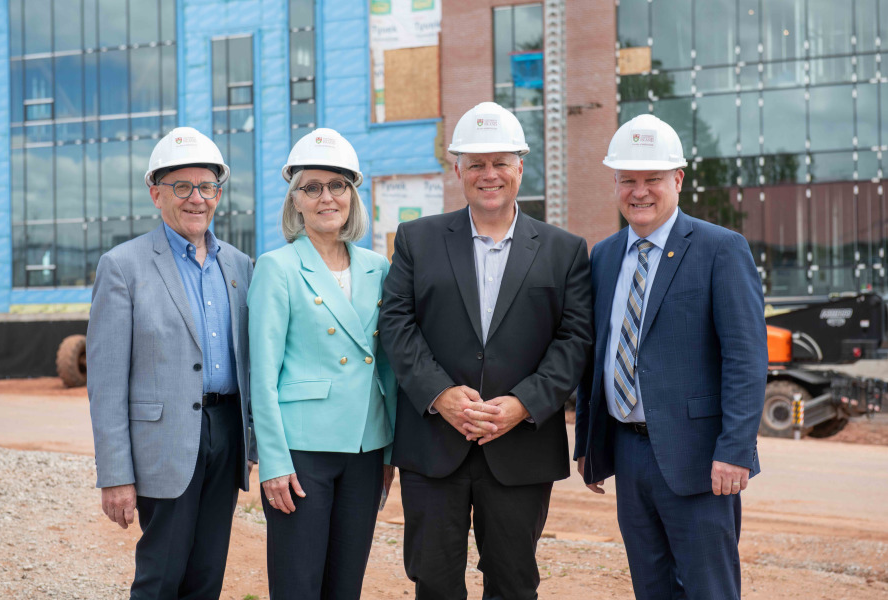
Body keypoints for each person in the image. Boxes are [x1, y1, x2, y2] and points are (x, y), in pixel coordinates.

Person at [379, 101, 593, 600]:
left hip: (519, 446)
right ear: (457, 170)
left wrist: (524, 404)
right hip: (434, 443)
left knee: (515, 584)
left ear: (520, 166)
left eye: (500, 163)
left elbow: (575, 339)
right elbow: (396, 322)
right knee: (433, 581)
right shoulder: (417, 239)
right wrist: (440, 394)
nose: (488, 174)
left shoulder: (564, 250)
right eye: (476, 164)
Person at [574, 113, 768, 599]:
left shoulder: (720, 249)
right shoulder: (604, 255)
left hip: (701, 459)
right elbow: (596, 352)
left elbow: (746, 359)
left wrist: (734, 450)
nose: (640, 191)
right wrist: (589, 444)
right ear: (615, 183)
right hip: (629, 452)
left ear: (678, 179)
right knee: (650, 588)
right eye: (628, 180)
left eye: (653, 179)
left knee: (708, 590)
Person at [87, 126, 256, 599]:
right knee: (161, 575)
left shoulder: (241, 267)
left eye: (206, 187)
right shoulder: (123, 266)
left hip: (226, 433)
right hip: (164, 441)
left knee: (207, 576)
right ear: (155, 192)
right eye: (182, 187)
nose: (196, 198)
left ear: (218, 194)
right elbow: (105, 382)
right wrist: (116, 474)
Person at [248, 128, 397, 600]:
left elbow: (388, 369)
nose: (325, 198)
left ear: (352, 196)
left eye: (337, 186)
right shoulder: (277, 267)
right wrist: (272, 461)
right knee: (297, 586)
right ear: (295, 202)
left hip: (366, 447)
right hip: (302, 452)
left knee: (345, 586)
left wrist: (391, 449)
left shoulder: (379, 267)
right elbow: (262, 375)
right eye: (311, 188)